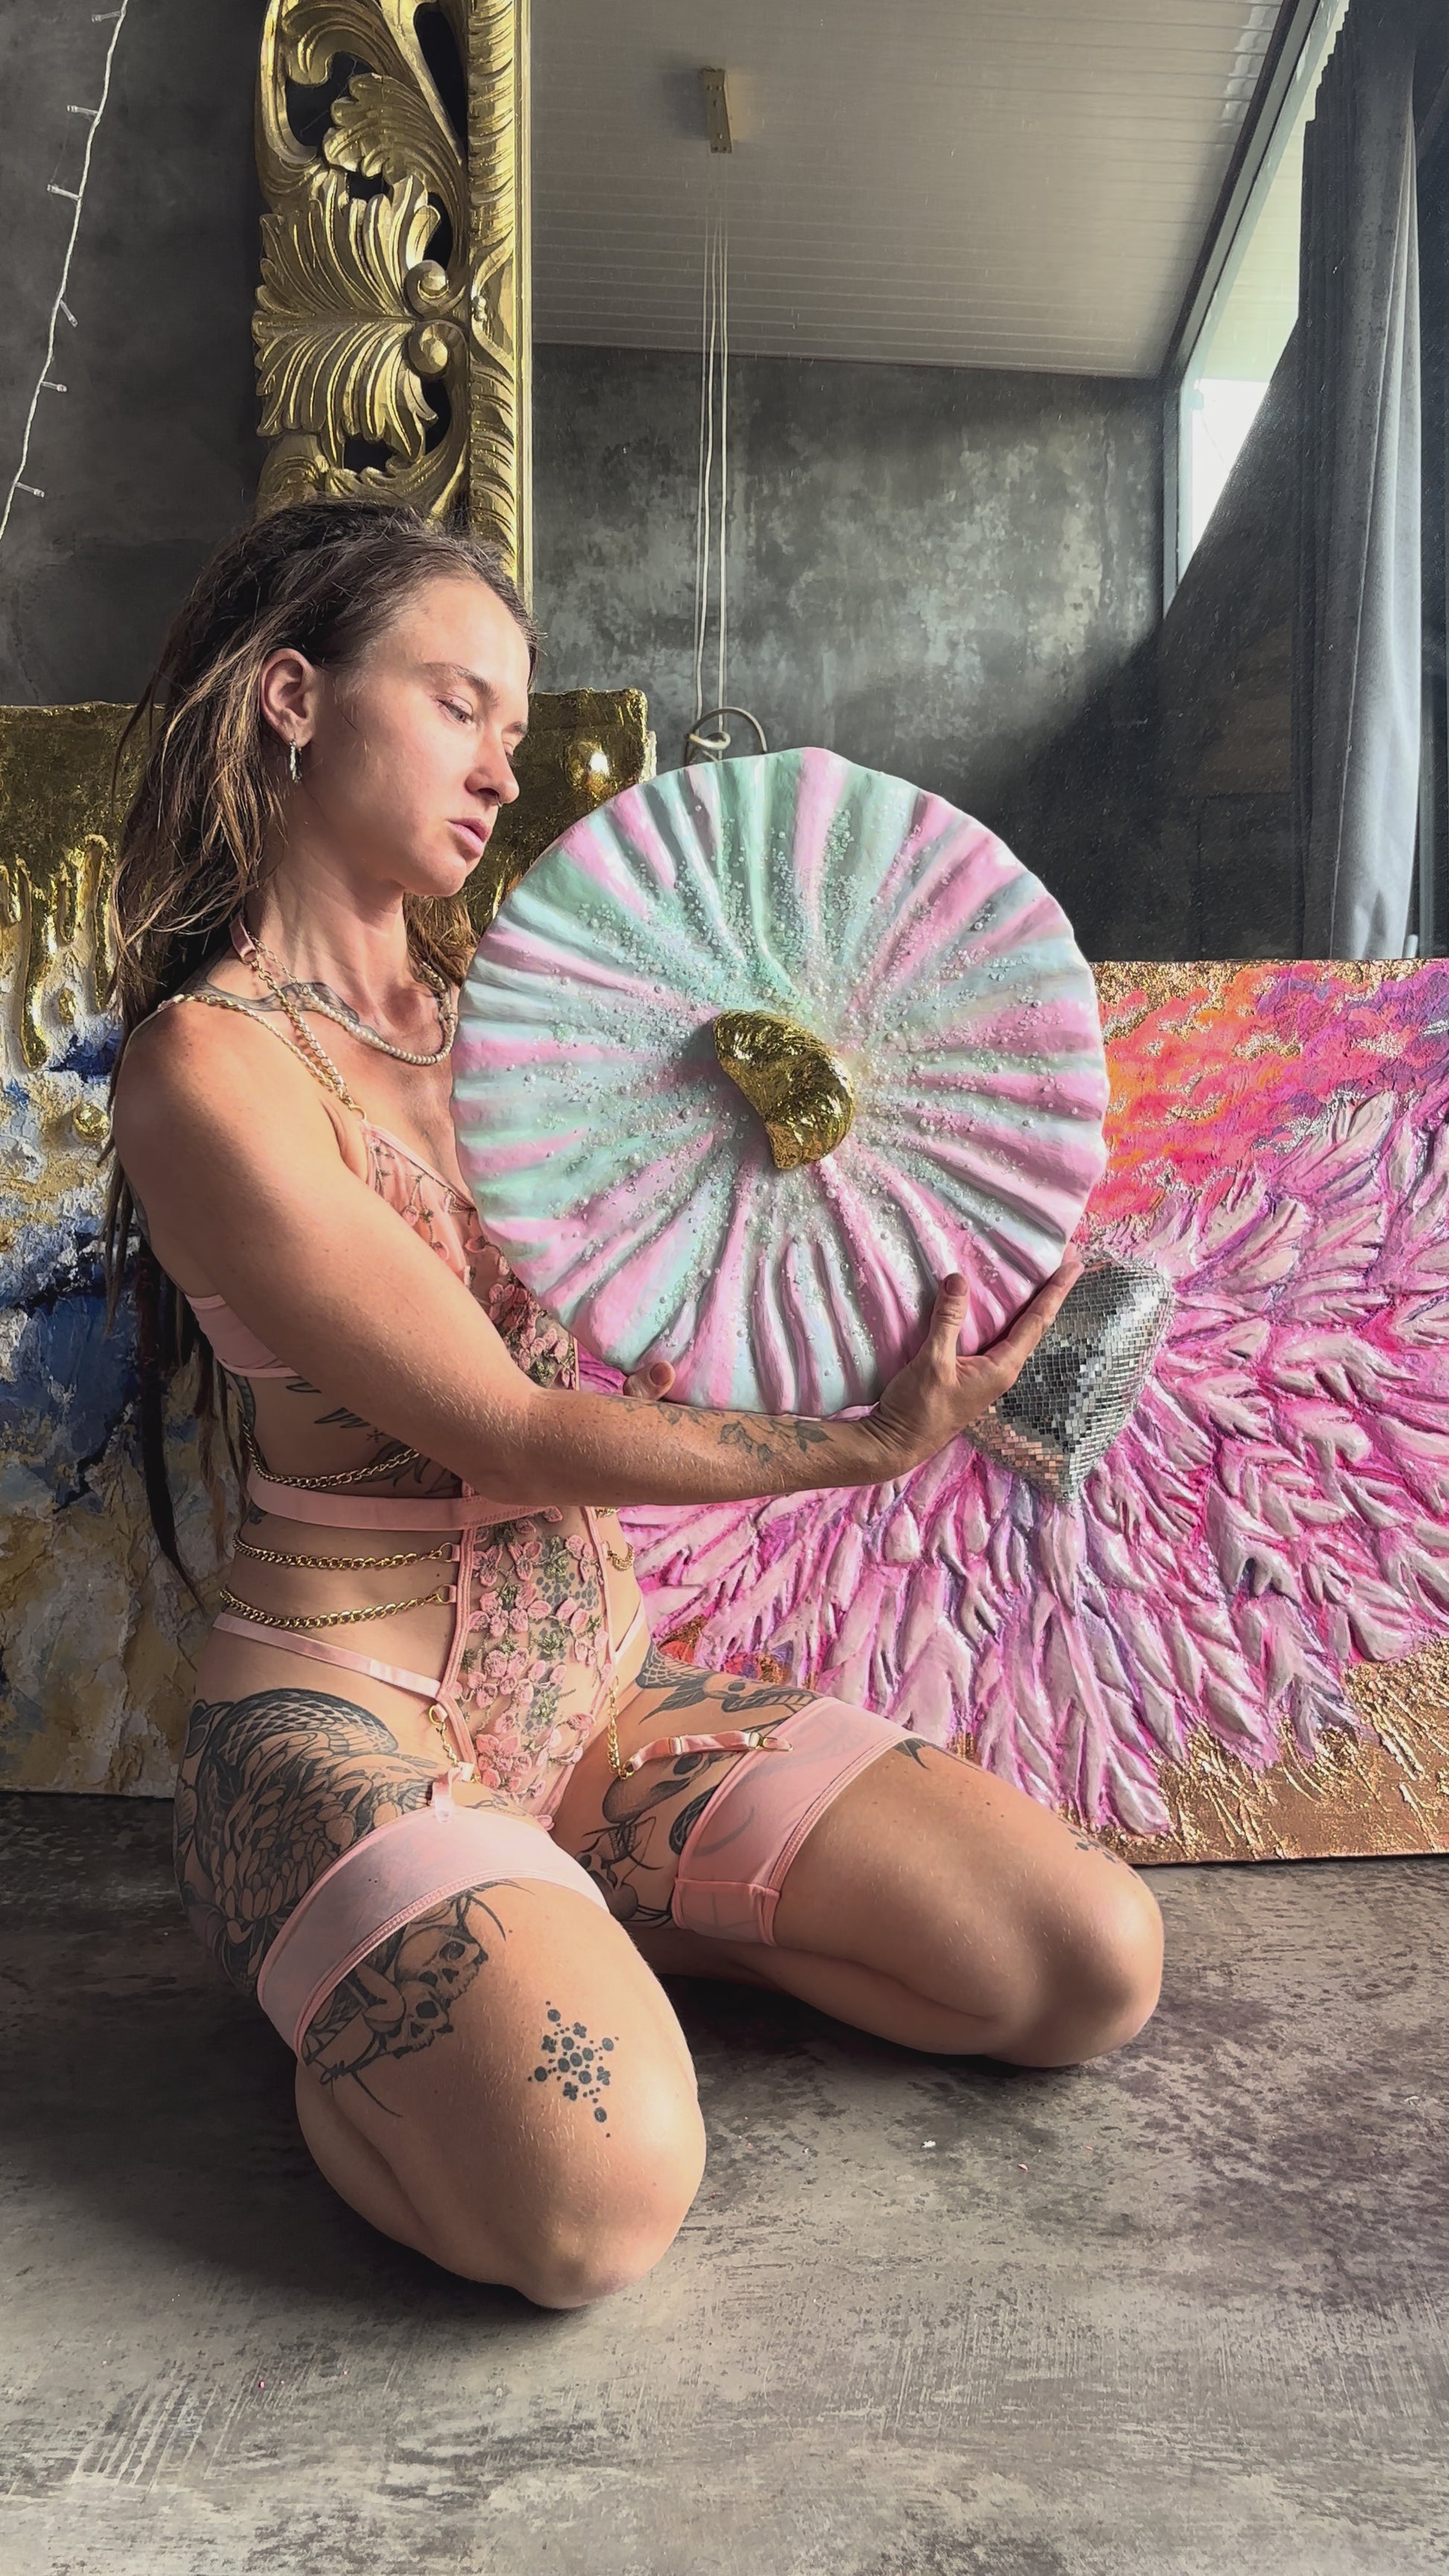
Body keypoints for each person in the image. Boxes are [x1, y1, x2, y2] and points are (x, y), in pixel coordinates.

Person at [107, 500, 1162, 2310]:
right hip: (347, 1714)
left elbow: (687, 1303)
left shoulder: (509, 1025)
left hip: (598, 1699)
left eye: (514, 731)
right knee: (594, 2207)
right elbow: (501, 1430)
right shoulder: (208, 1066)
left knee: (1081, 1962)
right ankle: (380, 1975)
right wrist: (865, 1447)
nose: (499, 771)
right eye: (459, 706)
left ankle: (571, 1915)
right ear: (295, 695)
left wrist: (899, 1256)